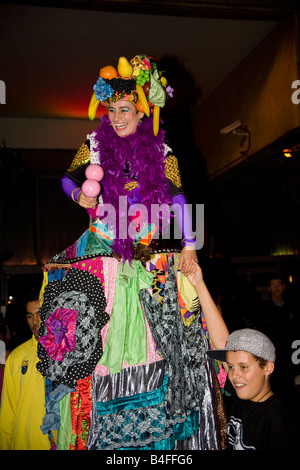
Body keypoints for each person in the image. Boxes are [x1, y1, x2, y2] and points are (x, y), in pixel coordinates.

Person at [37, 54, 228, 450]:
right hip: (103, 241)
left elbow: (177, 198)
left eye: (124, 109)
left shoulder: (162, 150)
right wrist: (80, 198)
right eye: (111, 110)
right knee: (78, 312)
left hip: (150, 242)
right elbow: (66, 180)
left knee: (176, 316)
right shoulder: (93, 144)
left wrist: (189, 244)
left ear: (142, 111)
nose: (117, 117)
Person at [0, 291, 52, 450]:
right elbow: (8, 409)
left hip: (53, 443)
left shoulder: (62, 353)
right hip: (21, 442)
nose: (35, 321)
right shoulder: (16, 356)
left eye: (39, 314)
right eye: (30, 316)